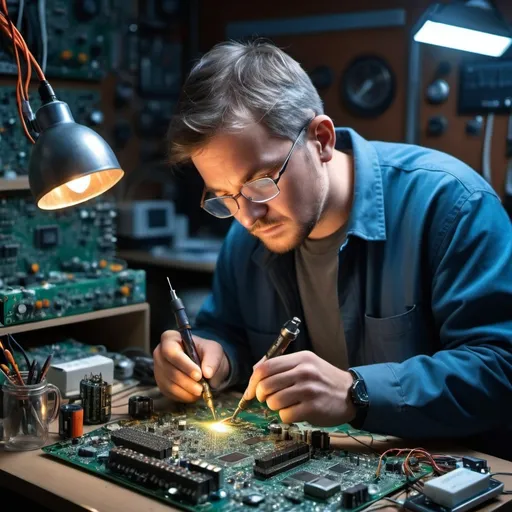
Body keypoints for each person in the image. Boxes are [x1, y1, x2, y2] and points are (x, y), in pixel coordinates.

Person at [153, 39, 512, 459]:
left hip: (445, 470)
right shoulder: (247, 232)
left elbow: (500, 367)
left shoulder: (451, 204)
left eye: (261, 182)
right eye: (223, 196)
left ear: (321, 139)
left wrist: (354, 392)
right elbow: (226, 330)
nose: (247, 216)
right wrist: (213, 358)